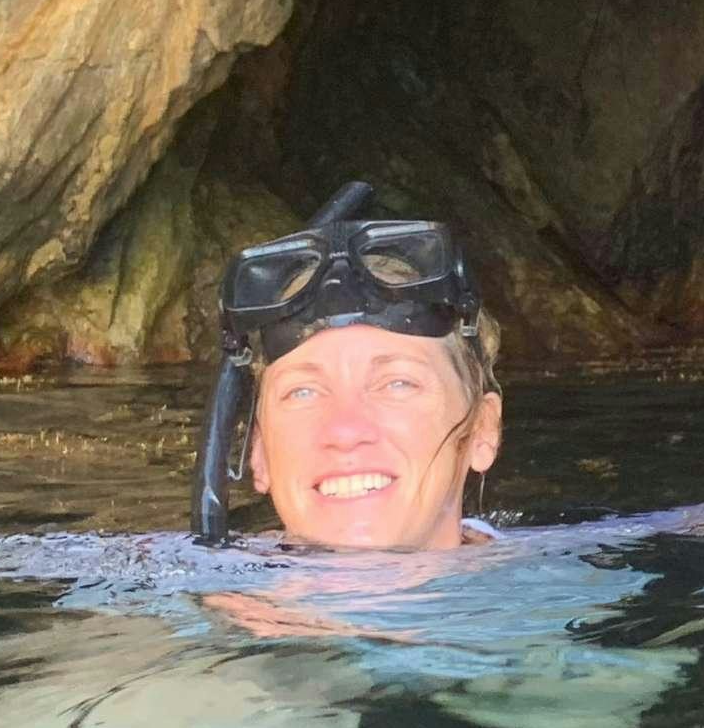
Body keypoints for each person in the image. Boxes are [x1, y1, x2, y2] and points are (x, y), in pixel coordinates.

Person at [191, 181, 504, 552]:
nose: (345, 431)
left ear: (482, 430)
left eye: (397, 384)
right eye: (302, 392)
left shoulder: (559, 571)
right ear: (259, 453)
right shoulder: (160, 579)